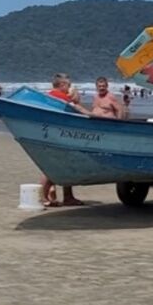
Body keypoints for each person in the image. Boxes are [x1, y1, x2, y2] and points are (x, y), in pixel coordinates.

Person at [42, 73, 85, 207]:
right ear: (62, 85)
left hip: (56, 133)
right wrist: (76, 93)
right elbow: (75, 103)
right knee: (51, 166)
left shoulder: (49, 95)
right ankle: (44, 197)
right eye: (68, 85)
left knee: (65, 165)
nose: (70, 87)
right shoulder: (58, 95)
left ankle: (67, 196)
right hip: (57, 135)